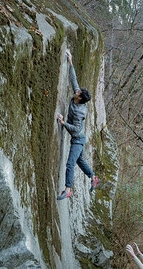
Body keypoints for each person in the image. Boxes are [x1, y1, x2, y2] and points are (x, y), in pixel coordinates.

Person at [56, 50, 99, 200]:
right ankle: (93, 177)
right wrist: (70, 62)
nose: (77, 90)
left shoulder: (80, 112)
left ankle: (68, 189)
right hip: (79, 138)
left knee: (70, 163)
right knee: (79, 160)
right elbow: (74, 80)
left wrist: (63, 123)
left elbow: (74, 128)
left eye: (78, 92)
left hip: (78, 138)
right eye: (78, 90)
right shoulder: (78, 96)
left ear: (79, 98)